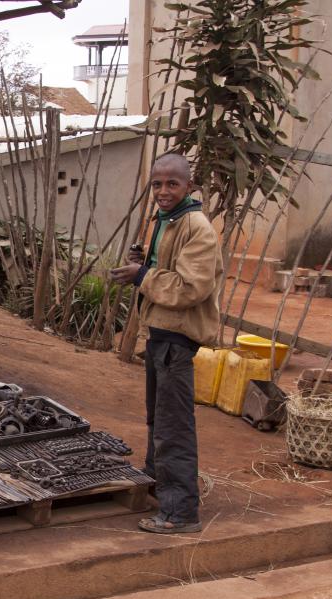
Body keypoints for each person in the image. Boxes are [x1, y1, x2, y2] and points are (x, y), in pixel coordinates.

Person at [109, 153, 223, 534]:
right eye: (157, 184)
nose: (162, 191)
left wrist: (143, 274)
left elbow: (190, 287)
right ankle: (159, 484)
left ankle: (179, 512)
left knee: (174, 426)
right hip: (161, 333)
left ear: (189, 186)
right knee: (159, 418)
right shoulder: (166, 221)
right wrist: (144, 262)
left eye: (172, 184)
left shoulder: (196, 227)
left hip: (178, 336)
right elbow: (168, 269)